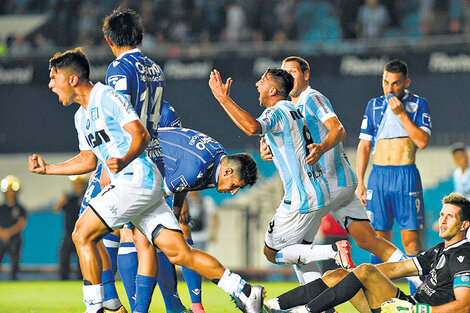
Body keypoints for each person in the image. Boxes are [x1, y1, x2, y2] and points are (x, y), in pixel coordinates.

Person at [28, 48, 264, 313]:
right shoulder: (81, 116)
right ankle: (244, 290)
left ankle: (96, 307)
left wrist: (123, 159)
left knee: (82, 233)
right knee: (179, 252)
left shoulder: (106, 96)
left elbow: (140, 133)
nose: (50, 84)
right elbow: (88, 161)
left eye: (54, 77)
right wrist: (48, 168)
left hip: (134, 178)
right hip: (144, 183)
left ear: (72, 79)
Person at [259, 56, 408, 285]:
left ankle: (319, 293)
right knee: (368, 240)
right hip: (339, 187)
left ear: (306, 74)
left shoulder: (312, 98)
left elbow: (338, 129)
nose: (288, 75)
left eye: (293, 71)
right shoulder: (288, 108)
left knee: (294, 250)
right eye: (284, 72)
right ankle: (417, 276)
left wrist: (320, 148)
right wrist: (267, 150)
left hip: (323, 186)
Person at [209, 67, 354, 288]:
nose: (257, 85)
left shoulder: (276, 111)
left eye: (262, 82)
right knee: (300, 255)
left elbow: (252, 127)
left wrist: (223, 98)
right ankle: (320, 303)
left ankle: (333, 250)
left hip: (300, 198)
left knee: (272, 253)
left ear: (274, 90)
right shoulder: (294, 111)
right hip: (317, 190)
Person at [263, 193, 470, 313]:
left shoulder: (464, 257)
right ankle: (272, 305)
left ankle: (306, 312)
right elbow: (398, 267)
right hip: (402, 306)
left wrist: (418, 310)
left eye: (449, 217)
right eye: (442, 215)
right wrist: (353, 278)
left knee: (364, 271)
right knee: (340, 275)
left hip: (412, 310)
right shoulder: (440, 249)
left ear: (464, 225)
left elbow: (464, 305)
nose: (442, 220)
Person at [356, 59, 431, 292]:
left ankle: (418, 298)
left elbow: (422, 141)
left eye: (395, 84)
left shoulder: (419, 104)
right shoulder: (373, 105)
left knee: (411, 241)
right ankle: (379, 298)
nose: (389, 88)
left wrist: (401, 114)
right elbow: (364, 146)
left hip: (405, 175)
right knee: (378, 240)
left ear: (405, 82)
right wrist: (360, 182)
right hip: (378, 178)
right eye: (385, 82)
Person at [55, 174, 88, 280]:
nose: (78, 186)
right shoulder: (68, 198)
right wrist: (61, 201)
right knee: (64, 256)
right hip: (69, 233)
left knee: (82, 258)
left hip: (83, 232)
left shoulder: (88, 197)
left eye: (80, 184)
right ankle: (63, 278)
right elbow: (56, 209)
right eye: (76, 184)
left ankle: (82, 278)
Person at [0, 175, 27, 280]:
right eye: (9, 191)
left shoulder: (20, 208)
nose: (11, 193)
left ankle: (13, 279)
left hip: (15, 239)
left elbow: (21, 223)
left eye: (13, 191)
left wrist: (8, 233)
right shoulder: (1, 208)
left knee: (15, 262)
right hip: (1, 238)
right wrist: (2, 233)